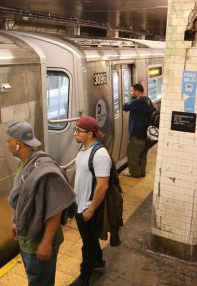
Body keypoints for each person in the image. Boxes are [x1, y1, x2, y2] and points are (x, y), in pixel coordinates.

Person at [6, 121, 75, 286]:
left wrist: (46, 242)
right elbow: (27, 201)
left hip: (40, 242)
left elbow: (55, 208)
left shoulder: (43, 169)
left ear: (18, 144)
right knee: (35, 279)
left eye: (8, 141)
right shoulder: (25, 164)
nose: (7, 145)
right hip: (28, 238)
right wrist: (18, 222)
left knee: (41, 282)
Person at [70, 116, 110, 286]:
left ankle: (84, 277)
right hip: (80, 204)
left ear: (90, 134)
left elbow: (103, 186)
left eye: (79, 131)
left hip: (87, 207)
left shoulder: (100, 154)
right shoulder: (83, 148)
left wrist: (91, 208)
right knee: (91, 239)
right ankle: (99, 261)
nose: (75, 133)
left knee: (87, 243)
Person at [122, 84, 151, 177]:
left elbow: (125, 107)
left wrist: (130, 99)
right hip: (145, 133)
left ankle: (134, 173)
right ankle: (141, 172)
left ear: (137, 91)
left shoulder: (137, 102)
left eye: (132, 91)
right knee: (142, 154)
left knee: (133, 154)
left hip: (137, 133)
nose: (131, 93)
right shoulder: (147, 100)